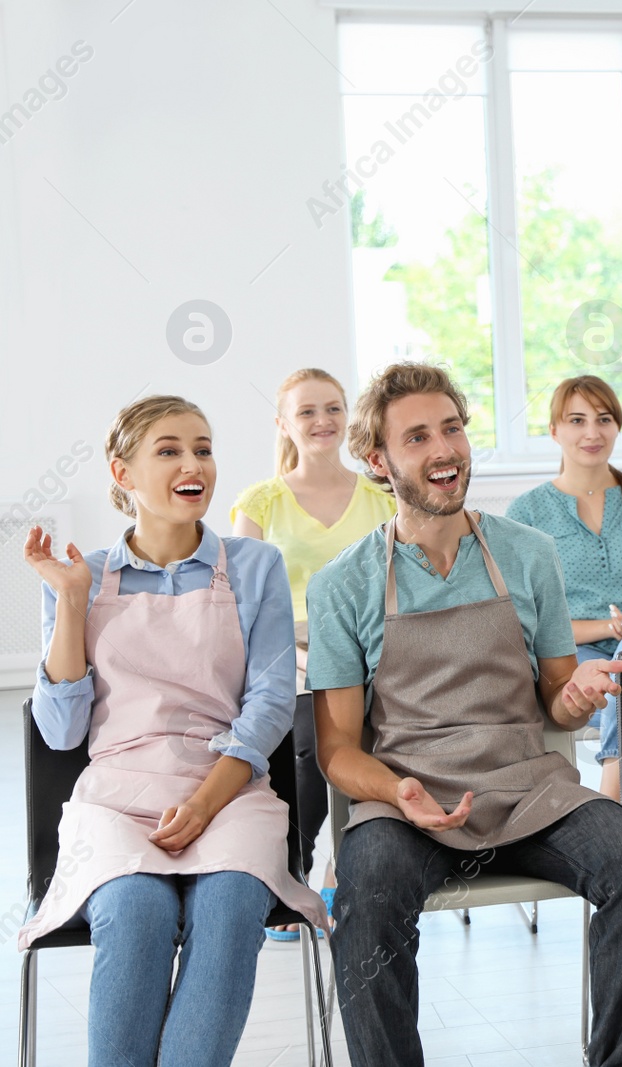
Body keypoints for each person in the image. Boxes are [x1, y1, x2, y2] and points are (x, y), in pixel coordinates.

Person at [305, 362, 622, 1067]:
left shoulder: (527, 554)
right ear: (379, 460)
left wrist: (576, 696)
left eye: (452, 428)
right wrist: (395, 791)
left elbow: (556, 700)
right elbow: (338, 750)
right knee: (368, 893)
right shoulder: (343, 585)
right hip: (409, 800)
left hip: (530, 787)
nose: (445, 449)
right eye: (418, 436)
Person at [19, 395, 326, 1067]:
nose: (195, 464)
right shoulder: (82, 576)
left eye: (204, 448)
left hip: (230, 791)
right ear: (121, 472)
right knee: (137, 914)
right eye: (169, 450)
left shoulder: (253, 566)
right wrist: (71, 602)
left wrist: (204, 802)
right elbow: (61, 730)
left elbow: (272, 701)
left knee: (230, 905)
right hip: (115, 797)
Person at [504, 375, 622, 952]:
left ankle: (618, 819)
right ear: (555, 430)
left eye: (605, 419)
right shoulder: (527, 511)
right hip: (573, 652)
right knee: (621, 666)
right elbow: (527, 616)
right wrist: (611, 629)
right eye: (578, 420)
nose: (593, 433)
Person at [232, 367, 395, 939]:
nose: (323, 421)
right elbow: (240, 603)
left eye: (332, 408)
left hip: (373, 654)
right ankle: (289, 875)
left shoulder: (381, 496)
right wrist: (301, 648)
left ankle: (340, 871)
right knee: (307, 749)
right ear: (284, 424)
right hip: (290, 656)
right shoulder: (261, 501)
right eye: (307, 412)